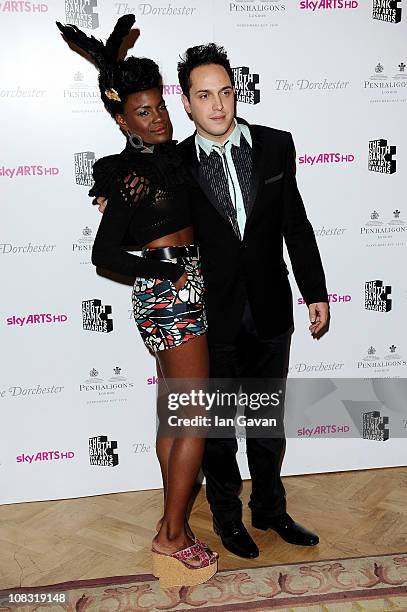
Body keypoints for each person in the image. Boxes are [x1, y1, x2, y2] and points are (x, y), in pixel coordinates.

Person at [56, 16, 217, 587]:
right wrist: (165, 268)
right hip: (170, 295)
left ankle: (174, 523)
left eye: (160, 108)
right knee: (195, 415)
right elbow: (107, 255)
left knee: (175, 412)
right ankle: (171, 537)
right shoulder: (128, 176)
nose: (158, 120)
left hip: (179, 292)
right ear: (121, 118)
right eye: (143, 113)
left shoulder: (174, 159)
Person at [174, 44, 330, 559]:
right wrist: (111, 192)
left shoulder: (274, 145)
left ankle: (270, 509)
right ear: (187, 103)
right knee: (217, 432)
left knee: (266, 423)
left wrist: (316, 292)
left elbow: (296, 225)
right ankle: (227, 519)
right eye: (204, 95)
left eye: (225, 92)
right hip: (209, 316)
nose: (217, 105)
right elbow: (124, 170)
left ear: (235, 93)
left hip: (268, 309)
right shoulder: (173, 164)